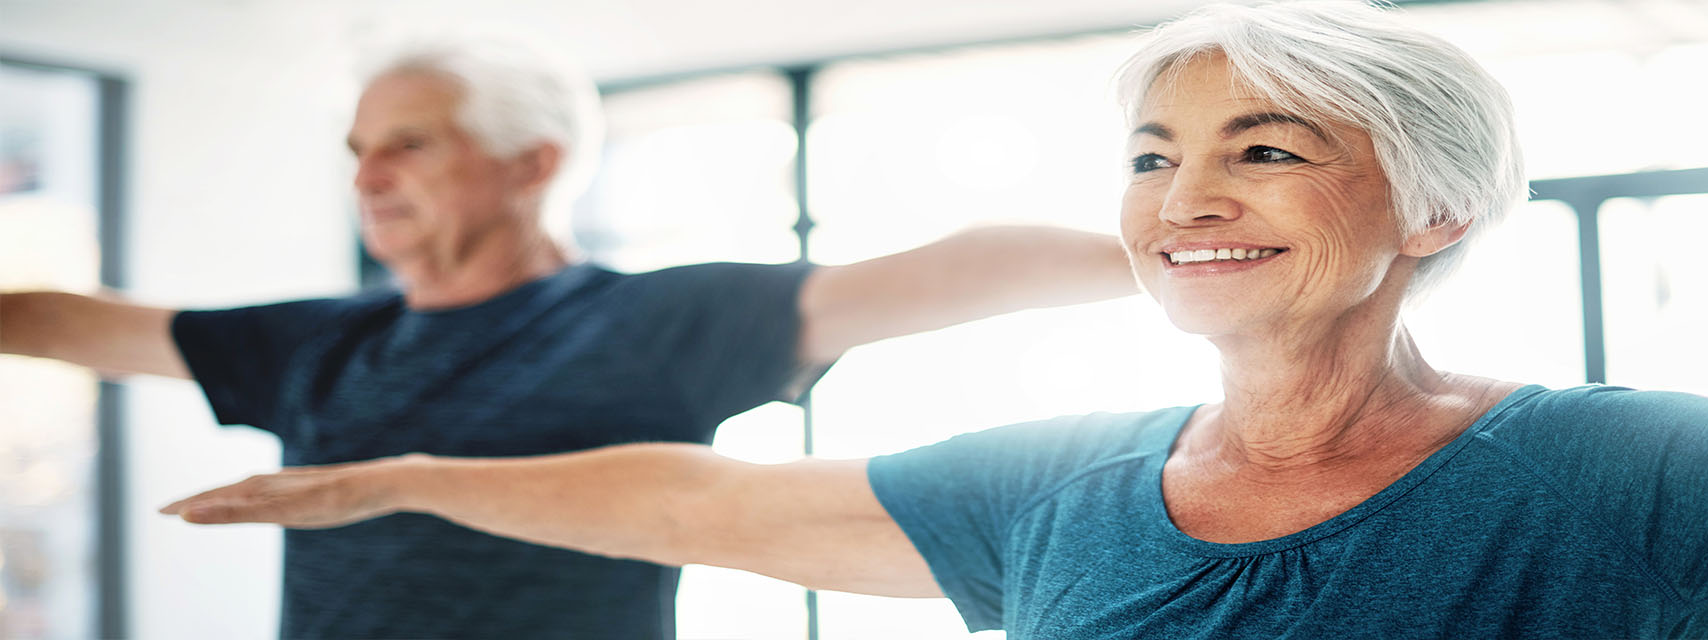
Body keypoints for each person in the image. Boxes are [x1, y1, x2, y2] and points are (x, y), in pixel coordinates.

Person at [157, 2, 1708, 638]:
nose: (1184, 196)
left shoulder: (1627, 470)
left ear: (1436, 208)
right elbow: (710, 506)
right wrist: (394, 478)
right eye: (1155, 155)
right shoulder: (1066, 486)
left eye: (1265, 148)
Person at [0, 34, 1138, 639]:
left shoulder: (654, 321)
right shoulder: (316, 343)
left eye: (410, 145)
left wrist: (1195, 257)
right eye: (357, 150)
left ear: (531, 161)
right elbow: (57, 321)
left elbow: (950, 271)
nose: (369, 177)